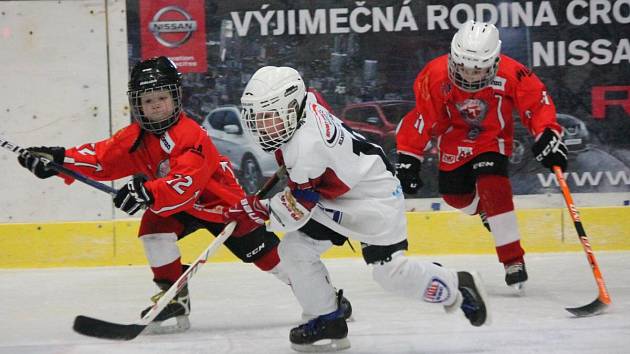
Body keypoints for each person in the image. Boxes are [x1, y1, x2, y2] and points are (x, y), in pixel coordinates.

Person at [16, 56, 296, 334]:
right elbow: (101, 158)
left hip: (221, 206)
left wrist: (147, 192)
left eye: (162, 97)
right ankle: (175, 299)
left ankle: (322, 296)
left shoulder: (191, 136)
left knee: (267, 257)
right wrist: (57, 161)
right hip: (175, 205)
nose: (157, 105)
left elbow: (185, 185)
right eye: (148, 100)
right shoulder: (136, 137)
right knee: (153, 229)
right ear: (138, 104)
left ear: (176, 97)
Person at [224, 66, 490, 352]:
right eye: (258, 118)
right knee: (295, 250)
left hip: (373, 198)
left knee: (389, 273)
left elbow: (296, 209)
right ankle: (328, 319)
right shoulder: (307, 103)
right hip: (336, 195)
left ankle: (456, 285)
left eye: (268, 117)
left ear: (291, 107)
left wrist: (258, 210)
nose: (262, 126)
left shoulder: (307, 147)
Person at [396, 20, 568, 290]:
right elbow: (422, 117)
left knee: (492, 183)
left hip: (492, 138)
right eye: (463, 67)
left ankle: (513, 259)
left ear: (495, 61)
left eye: (478, 70)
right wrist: (409, 158)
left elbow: (537, 101)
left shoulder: (513, 73)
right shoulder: (435, 75)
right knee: (455, 197)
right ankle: (486, 210)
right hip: (454, 140)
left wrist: (547, 133)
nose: (470, 76)